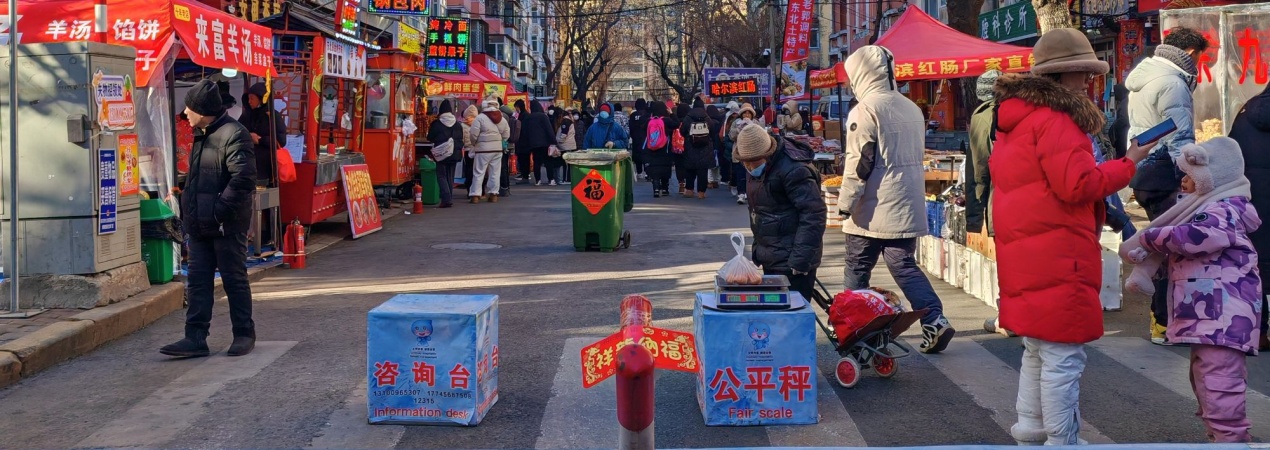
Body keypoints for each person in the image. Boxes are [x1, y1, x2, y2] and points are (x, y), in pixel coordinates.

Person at [991, 29, 1153, 445]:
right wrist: (1129, 162)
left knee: (1037, 349)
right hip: (1057, 249)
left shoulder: (1016, 119)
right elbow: (1078, 185)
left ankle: (1030, 427)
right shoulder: (1057, 121)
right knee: (1063, 356)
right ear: (1062, 77)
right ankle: (1063, 440)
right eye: (1082, 73)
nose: (1087, 82)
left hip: (1027, 249)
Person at [1122, 137, 1260, 443]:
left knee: (1218, 379)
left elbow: (1196, 236)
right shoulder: (1215, 208)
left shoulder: (1224, 210)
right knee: (1206, 377)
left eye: (1189, 176)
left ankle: (1231, 438)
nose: (1183, 183)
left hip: (1223, 316)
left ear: (1212, 179)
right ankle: (1221, 433)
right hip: (1212, 315)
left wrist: (1150, 238)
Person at [835, 45, 955, 355]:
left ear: (860, 74)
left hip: (871, 209)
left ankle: (857, 332)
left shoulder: (865, 110)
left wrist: (845, 203)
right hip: (906, 203)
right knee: (904, 265)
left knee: (857, 269)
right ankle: (934, 318)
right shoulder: (910, 107)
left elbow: (859, 163)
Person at [161, 79, 258, 358]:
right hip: (200, 224)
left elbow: (242, 179)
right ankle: (195, 337)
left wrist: (218, 211)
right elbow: (203, 177)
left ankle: (243, 333)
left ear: (203, 110)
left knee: (233, 278)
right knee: (199, 281)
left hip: (226, 224)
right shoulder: (201, 133)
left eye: (189, 108)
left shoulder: (234, 133)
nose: (185, 114)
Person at [1125, 26, 1208, 344]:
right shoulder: (1173, 83)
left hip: (1144, 172)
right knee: (1170, 252)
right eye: (1200, 57)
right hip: (1164, 173)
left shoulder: (1146, 76)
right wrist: (1197, 177)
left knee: (1162, 245)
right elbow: (1181, 138)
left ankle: (1163, 320)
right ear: (1190, 54)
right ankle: (1164, 322)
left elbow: (1141, 131)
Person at [733, 124, 826, 300]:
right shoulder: (755, 167)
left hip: (792, 260)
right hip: (771, 254)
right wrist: (758, 250)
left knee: (791, 318)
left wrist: (800, 260)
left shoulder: (794, 170)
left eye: (755, 161)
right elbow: (760, 210)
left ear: (768, 154)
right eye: (746, 162)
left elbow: (814, 214)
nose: (750, 167)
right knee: (774, 316)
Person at [1229, 82, 1270, 351]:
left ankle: (1259, 331)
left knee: (1258, 265)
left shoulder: (1247, 110)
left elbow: (1231, 156)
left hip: (1253, 202)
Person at [241, 82, 284, 187]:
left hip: (266, 166)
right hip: (247, 162)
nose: (249, 101)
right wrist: (247, 136)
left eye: (252, 98)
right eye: (248, 99)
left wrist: (260, 140)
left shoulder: (273, 116)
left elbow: (281, 141)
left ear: (261, 99)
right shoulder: (247, 115)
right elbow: (237, 131)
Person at [467, 99, 510, 203]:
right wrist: (500, 140)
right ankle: (493, 194)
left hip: (482, 150)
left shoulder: (480, 118)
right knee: (495, 172)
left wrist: (475, 143)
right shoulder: (502, 118)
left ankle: (475, 195)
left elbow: (473, 134)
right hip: (497, 149)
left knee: (479, 172)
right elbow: (506, 134)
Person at [427, 99, 464, 208]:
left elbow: (430, 137)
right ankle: (449, 198)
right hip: (455, 153)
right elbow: (461, 139)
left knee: (441, 175)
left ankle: (446, 198)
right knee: (450, 176)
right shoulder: (458, 124)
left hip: (442, 154)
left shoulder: (437, 124)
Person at [679, 97, 716, 199]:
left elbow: (682, 131)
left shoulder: (688, 117)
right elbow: (712, 131)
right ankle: (701, 192)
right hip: (705, 148)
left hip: (690, 146)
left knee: (690, 170)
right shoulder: (707, 117)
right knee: (702, 171)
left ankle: (689, 190)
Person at [645, 101, 681, 198]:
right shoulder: (666, 120)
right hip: (665, 149)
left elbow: (643, 130)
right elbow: (677, 124)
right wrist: (672, 114)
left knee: (655, 169)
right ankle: (665, 189)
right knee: (665, 169)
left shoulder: (649, 121)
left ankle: (656, 189)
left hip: (652, 149)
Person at [728, 103, 762, 205]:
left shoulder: (756, 123)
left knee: (752, 174)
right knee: (740, 173)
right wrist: (740, 129)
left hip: (753, 152)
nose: (747, 115)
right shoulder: (736, 123)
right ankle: (741, 193)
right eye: (745, 113)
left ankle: (750, 193)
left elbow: (761, 135)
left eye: (749, 113)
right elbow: (731, 136)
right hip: (740, 151)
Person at [519, 101, 559, 185]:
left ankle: (538, 180)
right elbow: (549, 129)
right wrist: (553, 141)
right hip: (545, 143)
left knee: (536, 162)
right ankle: (551, 179)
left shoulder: (528, 118)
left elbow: (525, 132)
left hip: (534, 144)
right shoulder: (543, 117)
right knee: (548, 162)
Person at [707, 104, 728, 189]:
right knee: (717, 163)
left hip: (709, 144)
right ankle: (716, 180)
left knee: (710, 165)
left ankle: (710, 181)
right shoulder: (720, 121)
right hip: (718, 145)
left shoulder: (707, 121)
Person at [629, 99, 650, 180]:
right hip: (646, 139)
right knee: (646, 155)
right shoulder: (648, 115)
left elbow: (631, 127)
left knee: (637, 156)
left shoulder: (633, 115)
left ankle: (639, 172)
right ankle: (647, 172)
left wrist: (633, 136)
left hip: (636, 138)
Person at [461, 104, 479, 191]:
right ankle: (478, 190)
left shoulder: (463, 126)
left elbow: (462, 140)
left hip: (468, 150)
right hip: (478, 150)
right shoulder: (479, 123)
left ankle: (469, 190)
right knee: (478, 171)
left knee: (468, 170)